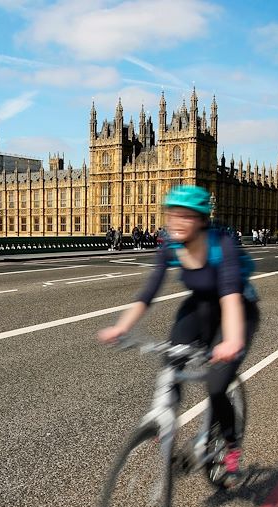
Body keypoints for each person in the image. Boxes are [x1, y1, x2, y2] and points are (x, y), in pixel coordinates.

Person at [98, 185, 259, 488]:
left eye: (185, 216)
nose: (176, 222)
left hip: (238, 308)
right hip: (199, 306)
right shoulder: (171, 246)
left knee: (216, 384)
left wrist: (232, 340)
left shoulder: (220, 244)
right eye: (172, 215)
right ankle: (165, 419)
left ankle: (231, 445)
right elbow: (148, 292)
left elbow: (230, 296)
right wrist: (121, 327)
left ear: (200, 220)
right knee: (171, 357)